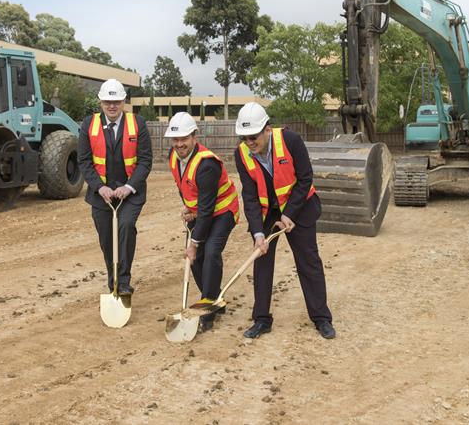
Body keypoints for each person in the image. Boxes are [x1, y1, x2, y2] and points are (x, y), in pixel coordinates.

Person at [233, 102, 335, 340]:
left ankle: (321, 318)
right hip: (269, 212)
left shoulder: (290, 141)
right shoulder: (242, 154)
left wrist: (289, 214)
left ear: (267, 129)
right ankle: (261, 319)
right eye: (244, 138)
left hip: (300, 207)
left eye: (253, 137)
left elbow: (305, 178)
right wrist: (258, 233)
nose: (249, 143)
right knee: (262, 261)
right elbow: (249, 195)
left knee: (308, 261)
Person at [77, 79, 153, 297]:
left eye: (117, 102)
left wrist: (129, 187)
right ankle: (114, 283)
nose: (112, 106)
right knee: (106, 238)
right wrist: (99, 187)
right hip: (102, 195)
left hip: (130, 193)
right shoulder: (88, 124)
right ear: (100, 102)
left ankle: (124, 282)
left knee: (126, 227)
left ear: (123, 102)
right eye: (108, 101)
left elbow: (146, 161)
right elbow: (84, 161)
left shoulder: (138, 123)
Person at [165, 112, 239, 332]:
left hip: (223, 210)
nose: (179, 144)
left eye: (184, 139)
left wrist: (195, 242)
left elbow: (207, 211)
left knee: (210, 251)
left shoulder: (207, 165)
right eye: (176, 140)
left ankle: (207, 306)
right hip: (202, 212)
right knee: (195, 260)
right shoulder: (173, 156)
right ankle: (214, 299)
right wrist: (189, 209)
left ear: (194, 136)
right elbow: (184, 187)